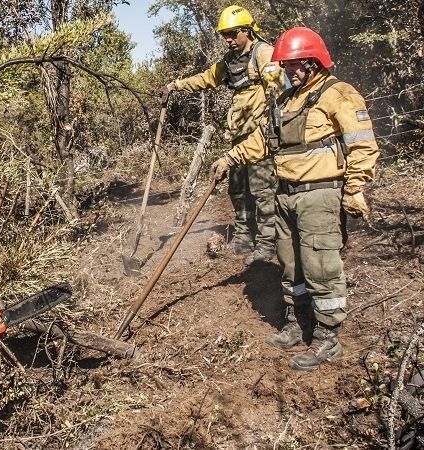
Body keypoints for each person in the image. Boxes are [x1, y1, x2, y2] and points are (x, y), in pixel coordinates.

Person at [210, 27, 379, 370]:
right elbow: (262, 140)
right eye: (286, 65)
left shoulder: (338, 94)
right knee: (290, 264)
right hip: (285, 195)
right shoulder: (287, 101)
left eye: (295, 64)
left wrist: (356, 187)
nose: (289, 71)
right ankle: (296, 323)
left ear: (314, 62)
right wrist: (229, 158)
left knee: (321, 266)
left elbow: (362, 143)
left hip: (320, 195)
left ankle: (327, 338)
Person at [159, 5, 284, 264]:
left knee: (263, 191)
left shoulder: (264, 53)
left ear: (247, 31)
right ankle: (243, 237)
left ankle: (266, 245)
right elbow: (207, 78)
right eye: (224, 34)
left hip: (260, 137)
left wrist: (271, 126)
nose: (228, 39)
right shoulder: (229, 61)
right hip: (238, 137)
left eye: (232, 33)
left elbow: (279, 90)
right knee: (238, 191)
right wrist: (176, 85)